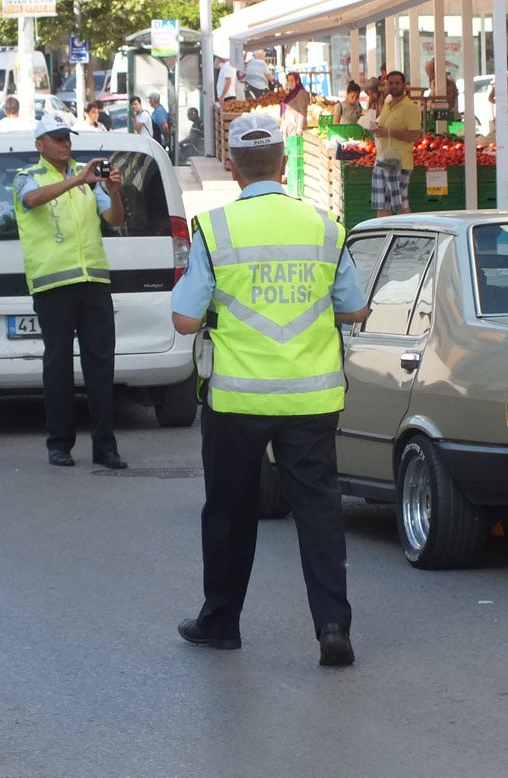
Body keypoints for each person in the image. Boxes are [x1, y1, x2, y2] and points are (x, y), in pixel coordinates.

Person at [170, 112, 370, 666]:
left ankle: (221, 621)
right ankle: (333, 627)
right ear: (284, 166)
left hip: (237, 399)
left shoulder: (214, 229)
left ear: (234, 169)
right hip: (311, 398)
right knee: (320, 512)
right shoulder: (326, 227)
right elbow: (354, 309)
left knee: (229, 512)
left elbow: (185, 322)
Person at [12, 112, 128, 470]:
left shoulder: (91, 180)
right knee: (58, 364)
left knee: (100, 365)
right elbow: (31, 200)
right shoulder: (26, 176)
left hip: (92, 280)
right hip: (53, 283)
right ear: (40, 145)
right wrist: (77, 179)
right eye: (57, 137)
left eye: (68, 137)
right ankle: (59, 444)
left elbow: (115, 220)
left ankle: (105, 447)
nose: (65, 143)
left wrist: (112, 191)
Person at [371, 70, 421, 216]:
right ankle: (385, 234)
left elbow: (415, 135)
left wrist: (389, 133)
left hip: (399, 162)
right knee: (381, 204)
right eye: (390, 83)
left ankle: (406, 235)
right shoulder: (387, 105)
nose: (393, 86)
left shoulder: (410, 108)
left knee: (400, 204)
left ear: (404, 85)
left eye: (397, 83)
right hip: (381, 159)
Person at [280, 72, 309, 138]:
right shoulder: (291, 94)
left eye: (292, 80)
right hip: (289, 128)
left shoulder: (301, 93)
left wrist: (299, 128)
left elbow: (303, 112)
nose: (290, 82)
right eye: (288, 80)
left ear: (297, 80)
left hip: (295, 129)